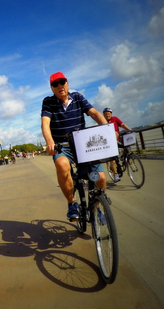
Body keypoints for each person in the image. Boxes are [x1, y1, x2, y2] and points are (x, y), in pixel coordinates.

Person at [41, 72, 108, 222]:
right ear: (52, 88)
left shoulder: (77, 97)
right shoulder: (48, 102)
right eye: (55, 84)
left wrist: (108, 129)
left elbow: (94, 113)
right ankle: (72, 202)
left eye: (62, 82)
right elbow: (45, 124)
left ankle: (98, 206)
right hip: (62, 145)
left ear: (67, 83)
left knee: (101, 178)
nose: (60, 86)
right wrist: (50, 142)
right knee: (62, 164)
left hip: (83, 143)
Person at [103, 107, 132, 182]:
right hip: (109, 142)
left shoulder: (115, 119)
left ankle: (123, 156)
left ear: (111, 114)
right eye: (106, 114)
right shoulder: (102, 121)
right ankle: (115, 174)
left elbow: (122, 124)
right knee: (112, 158)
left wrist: (129, 129)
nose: (107, 115)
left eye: (109, 114)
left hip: (117, 140)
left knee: (121, 136)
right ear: (104, 115)